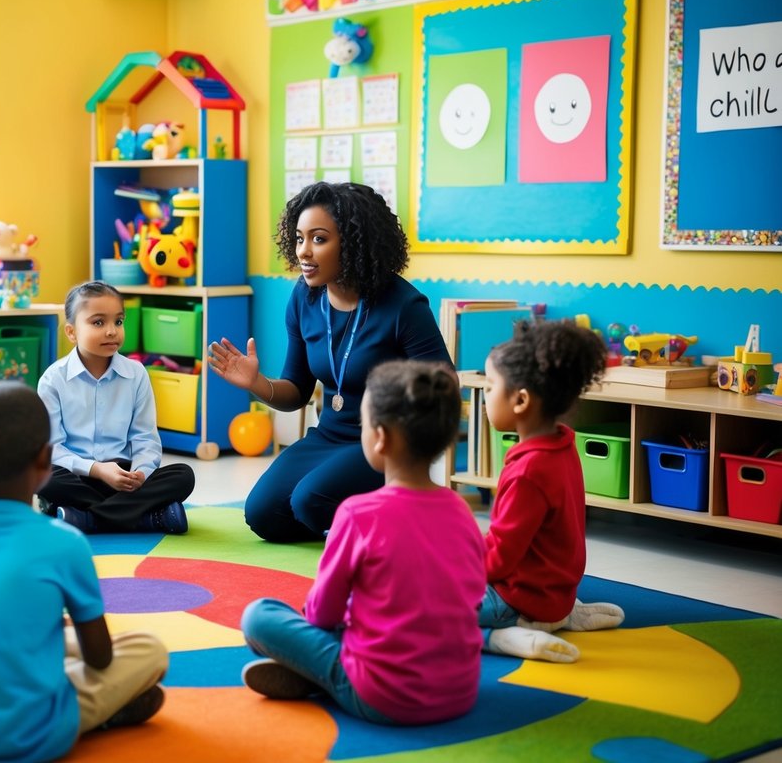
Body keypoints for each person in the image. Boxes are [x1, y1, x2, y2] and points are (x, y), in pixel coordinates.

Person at [0, 382, 169, 761]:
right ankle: (100, 709)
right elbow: (101, 659)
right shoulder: (65, 542)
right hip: (36, 734)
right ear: (45, 461)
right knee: (149, 650)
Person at [239, 361, 486, 725]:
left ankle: (322, 677)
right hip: (460, 690)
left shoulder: (356, 514)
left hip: (382, 695)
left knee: (259, 616)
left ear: (380, 437)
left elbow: (322, 613)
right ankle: (318, 672)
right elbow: (472, 596)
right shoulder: (463, 512)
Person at [208, 181, 451, 542]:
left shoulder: (403, 305)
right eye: (300, 238)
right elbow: (296, 391)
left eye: (319, 239)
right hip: (328, 437)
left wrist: (404, 440)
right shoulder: (304, 299)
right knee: (262, 514)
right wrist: (256, 384)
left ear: (353, 243)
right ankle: (357, 523)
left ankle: (400, 517)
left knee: (310, 501)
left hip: (386, 442)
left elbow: (444, 385)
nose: (304, 252)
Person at [480, 320, 625, 663]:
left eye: (489, 387)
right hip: (555, 593)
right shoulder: (561, 445)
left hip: (518, 601)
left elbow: (499, 559)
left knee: (418, 607)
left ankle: (502, 638)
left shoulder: (528, 472)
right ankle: (564, 616)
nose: (485, 396)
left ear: (520, 400)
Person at [36, 281, 194, 534]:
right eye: (98, 322)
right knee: (41, 474)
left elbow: (145, 439)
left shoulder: (136, 373)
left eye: (118, 322)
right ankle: (146, 518)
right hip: (77, 475)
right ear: (71, 332)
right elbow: (51, 449)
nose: (112, 331)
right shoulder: (53, 379)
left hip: (124, 478)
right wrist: (96, 469)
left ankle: (86, 519)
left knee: (183, 475)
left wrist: (140, 474)